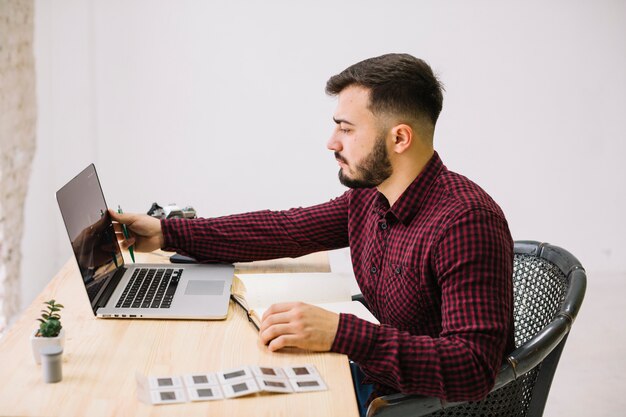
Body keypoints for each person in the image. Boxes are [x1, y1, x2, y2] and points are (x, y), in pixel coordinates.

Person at [111, 53, 514, 416]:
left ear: (399, 138)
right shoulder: (372, 197)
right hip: (378, 384)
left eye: (347, 129)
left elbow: (473, 367)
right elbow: (283, 229)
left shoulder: (466, 222)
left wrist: (343, 333)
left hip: (421, 407)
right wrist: (166, 232)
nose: (331, 143)